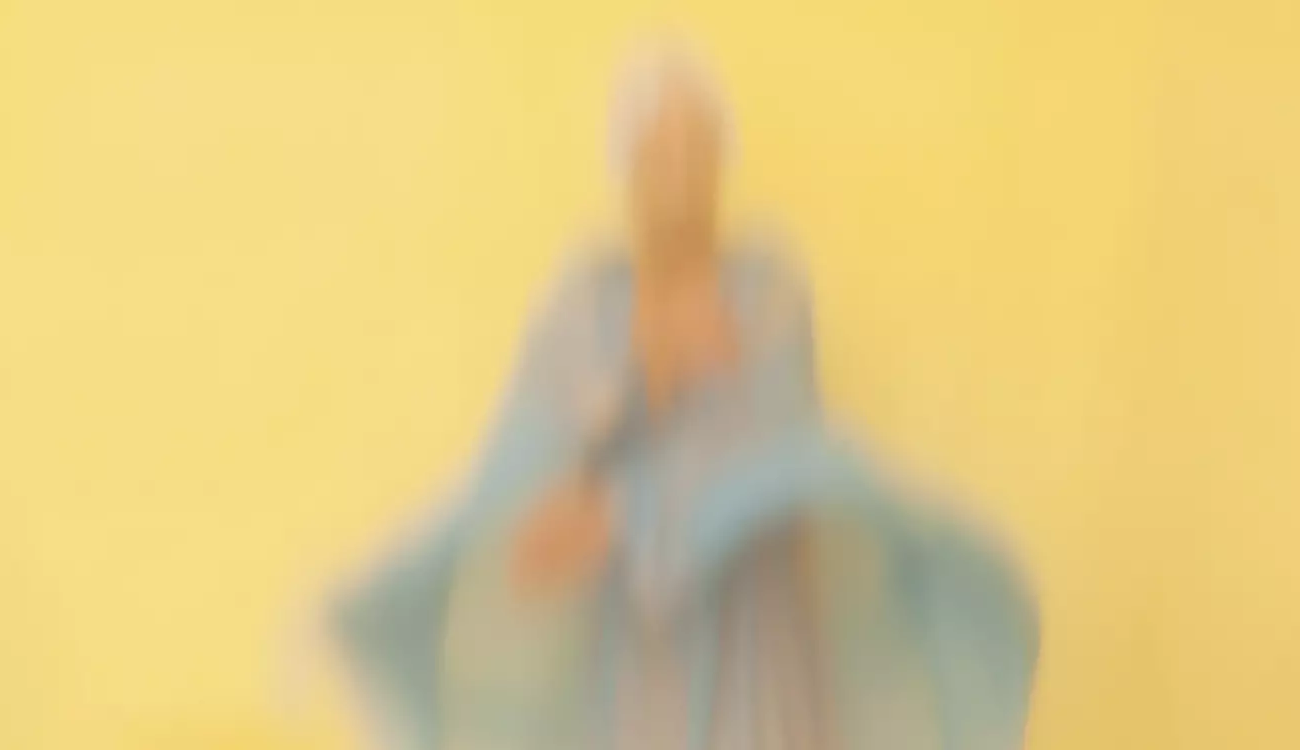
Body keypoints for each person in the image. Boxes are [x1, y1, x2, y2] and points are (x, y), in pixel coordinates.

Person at [327, 39, 1040, 750]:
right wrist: (647, 370)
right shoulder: (585, 302)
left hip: (754, 623)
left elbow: (773, 450)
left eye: (698, 148)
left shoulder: (766, 289)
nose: (680, 172)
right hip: (633, 637)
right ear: (625, 166)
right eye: (658, 150)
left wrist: (619, 507)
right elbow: (534, 454)